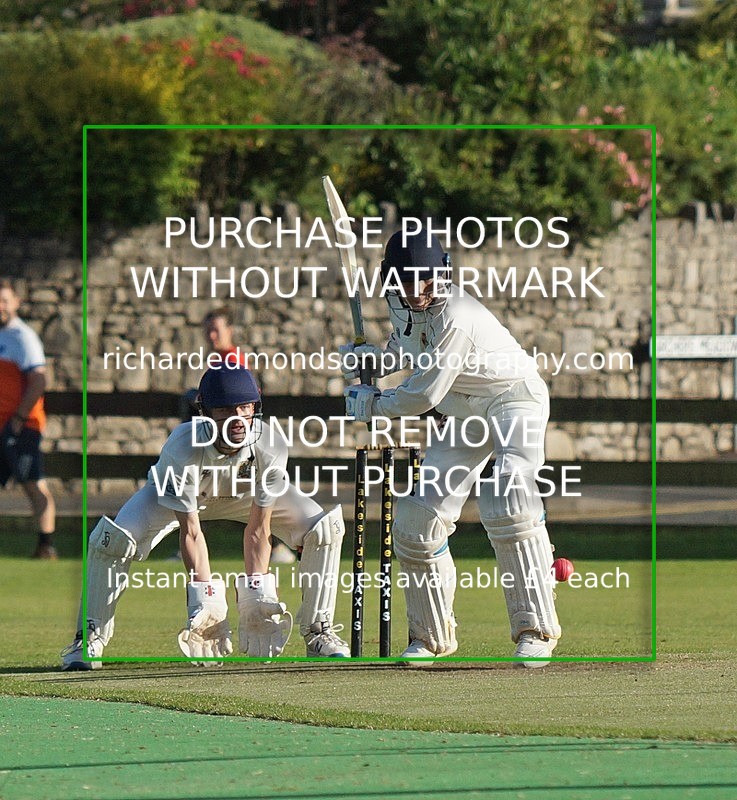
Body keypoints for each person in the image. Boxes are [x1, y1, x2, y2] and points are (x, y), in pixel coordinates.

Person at [342, 228, 562, 666]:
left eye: (424, 280)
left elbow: (425, 393)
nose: (417, 291)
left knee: (507, 496)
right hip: (465, 414)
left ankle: (536, 630)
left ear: (440, 273)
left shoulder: (456, 314)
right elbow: (408, 352)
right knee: (416, 518)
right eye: (406, 281)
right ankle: (430, 637)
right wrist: (373, 361)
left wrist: (375, 404)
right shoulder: (402, 305)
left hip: (513, 399)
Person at [61, 365, 349, 669]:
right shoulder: (183, 447)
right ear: (206, 412)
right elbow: (191, 532)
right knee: (113, 540)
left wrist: (256, 590)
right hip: (173, 499)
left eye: (245, 407)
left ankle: (320, 633)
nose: (237, 417)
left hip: (244, 496)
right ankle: (88, 639)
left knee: (322, 529)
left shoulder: (269, 443)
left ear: (255, 407)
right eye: (225, 408)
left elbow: (259, 529)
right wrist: (205, 595)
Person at [182, 306, 296, 565]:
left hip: (240, 440)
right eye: (208, 330)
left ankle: (276, 544)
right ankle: (190, 540)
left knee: (255, 490)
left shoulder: (232, 361)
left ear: (229, 331)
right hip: (220, 439)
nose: (211, 336)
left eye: (216, 330)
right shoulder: (216, 361)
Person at [0, 278, 57, 559]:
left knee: (34, 484)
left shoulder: (23, 337)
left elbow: (38, 380)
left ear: (15, 303)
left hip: (22, 425)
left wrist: (20, 417)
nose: (0, 306)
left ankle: (46, 545)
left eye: (4, 300)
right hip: (3, 425)